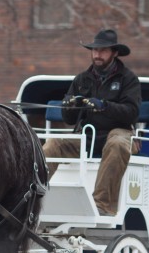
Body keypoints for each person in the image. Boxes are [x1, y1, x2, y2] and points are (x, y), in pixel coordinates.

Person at [43, 28, 142, 216]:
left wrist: (104, 106)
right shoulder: (82, 79)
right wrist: (70, 106)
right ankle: (32, 192)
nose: (97, 55)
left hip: (117, 133)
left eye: (103, 50)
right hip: (88, 138)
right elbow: (69, 119)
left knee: (117, 143)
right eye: (95, 50)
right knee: (54, 144)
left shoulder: (128, 79)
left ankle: (101, 205)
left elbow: (132, 113)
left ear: (114, 53)